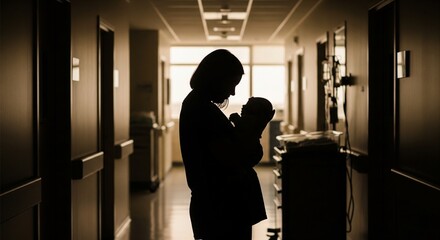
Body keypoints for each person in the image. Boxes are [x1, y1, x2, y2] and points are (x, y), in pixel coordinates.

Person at [179, 49, 267, 240]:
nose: (233, 92)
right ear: (216, 78)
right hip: (221, 207)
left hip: (220, 205)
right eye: (231, 84)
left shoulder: (199, 104)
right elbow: (233, 159)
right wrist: (254, 132)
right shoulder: (201, 109)